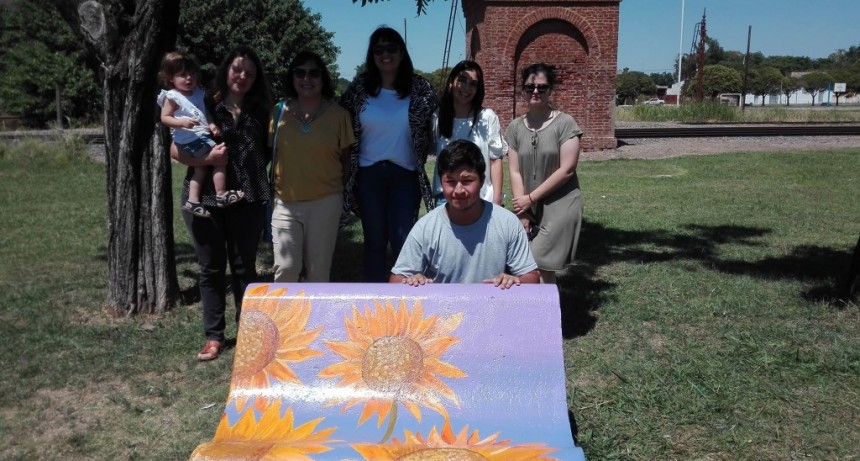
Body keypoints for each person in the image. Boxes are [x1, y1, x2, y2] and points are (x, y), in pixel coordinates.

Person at [170, 46, 273, 361]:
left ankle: (247, 332)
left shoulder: (264, 109)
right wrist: (208, 157)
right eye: (237, 69)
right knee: (211, 269)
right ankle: (214, 337)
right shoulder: (205, 103)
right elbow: (175, 151)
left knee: (244, 269)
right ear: (226, 69)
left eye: (250, 73)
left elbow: (269, 151)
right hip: (206, 200)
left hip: (250, 198)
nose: (242, 77)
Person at [339, 26, 438, 282]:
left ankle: (404, 300)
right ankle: (374, 298)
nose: (385, 54)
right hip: (369, 174)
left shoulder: (420, 88)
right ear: (372, 55)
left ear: (402, 53)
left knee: (403, 240)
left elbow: (440, 119)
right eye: (378, 49)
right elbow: (337, 119)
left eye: (391, 48)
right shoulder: (360, 88)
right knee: (374, 240)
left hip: (404, 174)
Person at [390, 140, 539, 288]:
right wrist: (410, 281)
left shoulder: (507, 223)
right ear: (441, 183)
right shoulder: (426, 228)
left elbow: (532, 276)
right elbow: (396, 280)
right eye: (451, 181)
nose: (459, 190)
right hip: (442, 310)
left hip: (491, 308)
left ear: (481, 181)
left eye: (467, 180)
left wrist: (514, 280)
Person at [270, 51, 355, 282]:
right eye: (300, 73)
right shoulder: (278, 113)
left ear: (322, 77)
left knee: (319, 273)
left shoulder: (339, 115)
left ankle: (316, 319)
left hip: (325, 203)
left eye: (313, 73)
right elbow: (272, 154)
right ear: (292, 77)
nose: (306, 79)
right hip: (285, 203)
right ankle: (287, 319)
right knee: (286, 269)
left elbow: (345, 160)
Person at [505, 63, 583, 285]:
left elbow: (567, 170)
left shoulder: (565, 123)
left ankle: (543, 316)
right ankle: (545, 314)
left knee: (538, 262)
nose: (535, 92)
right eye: (530, 87)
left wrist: (530, 198)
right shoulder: (515, 128)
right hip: (530, 206)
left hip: (561, 203)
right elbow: (515, 171)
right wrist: (523, 211)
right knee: (537, 269)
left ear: (551, 90)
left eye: (542, 87)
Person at [157, 52, 243, 218]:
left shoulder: (197, 93)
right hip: (189, 139)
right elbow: (164, 118)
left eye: (192, 74)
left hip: (199, 136)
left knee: (201, 169)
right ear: (170, 78)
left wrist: (211, 124)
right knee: (220, 158)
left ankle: (193, 200)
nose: (189, 78)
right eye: (183, 75)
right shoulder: (173, 96)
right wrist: (181, 123)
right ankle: (221, 194)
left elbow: (204, 113)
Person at [431, 60, 506, 207]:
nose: (467, 88)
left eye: (473, 84)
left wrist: (497, 198)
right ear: (451, 82)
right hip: (445, 198)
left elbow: (495, 160)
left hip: (480, 197)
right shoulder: (438, 117)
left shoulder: (487, 117)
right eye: (462, 80)